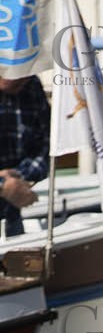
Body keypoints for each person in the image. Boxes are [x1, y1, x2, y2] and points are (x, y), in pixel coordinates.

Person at [0, 74, 49, 236]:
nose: (21, 77)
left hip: (11, 217)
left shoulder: (32, 85)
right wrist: (3, 186)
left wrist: (17, 178)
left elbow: (45, 145)